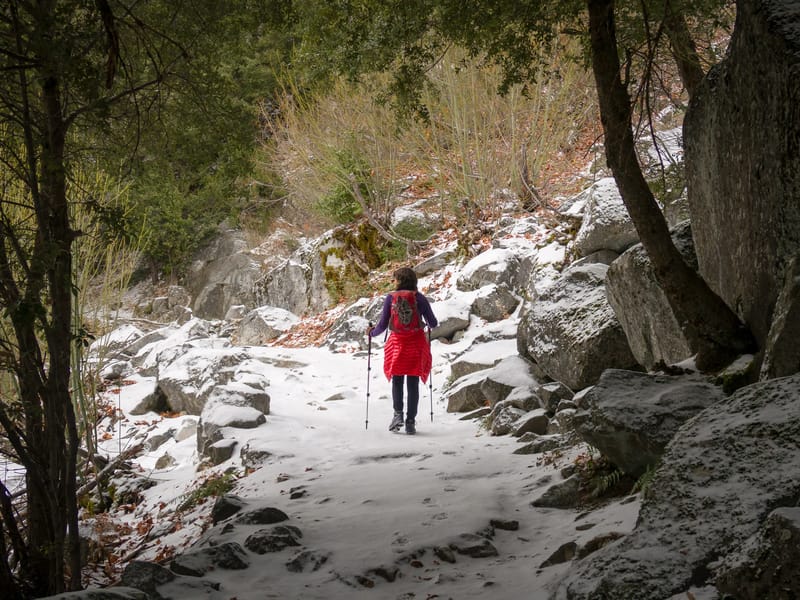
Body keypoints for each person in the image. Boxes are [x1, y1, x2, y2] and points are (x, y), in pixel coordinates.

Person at [367, 267, 438, 434]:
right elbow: (433, 323)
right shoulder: (419, 298)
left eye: (395, 279)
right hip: (416, 345)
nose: (394, 282)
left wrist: (371, 333)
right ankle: (411, 422)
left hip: (397, 345)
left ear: (399, 281)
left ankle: (397, 414)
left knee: (397, 381)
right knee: (413, 384)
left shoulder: (390, 298)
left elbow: (383, 326)